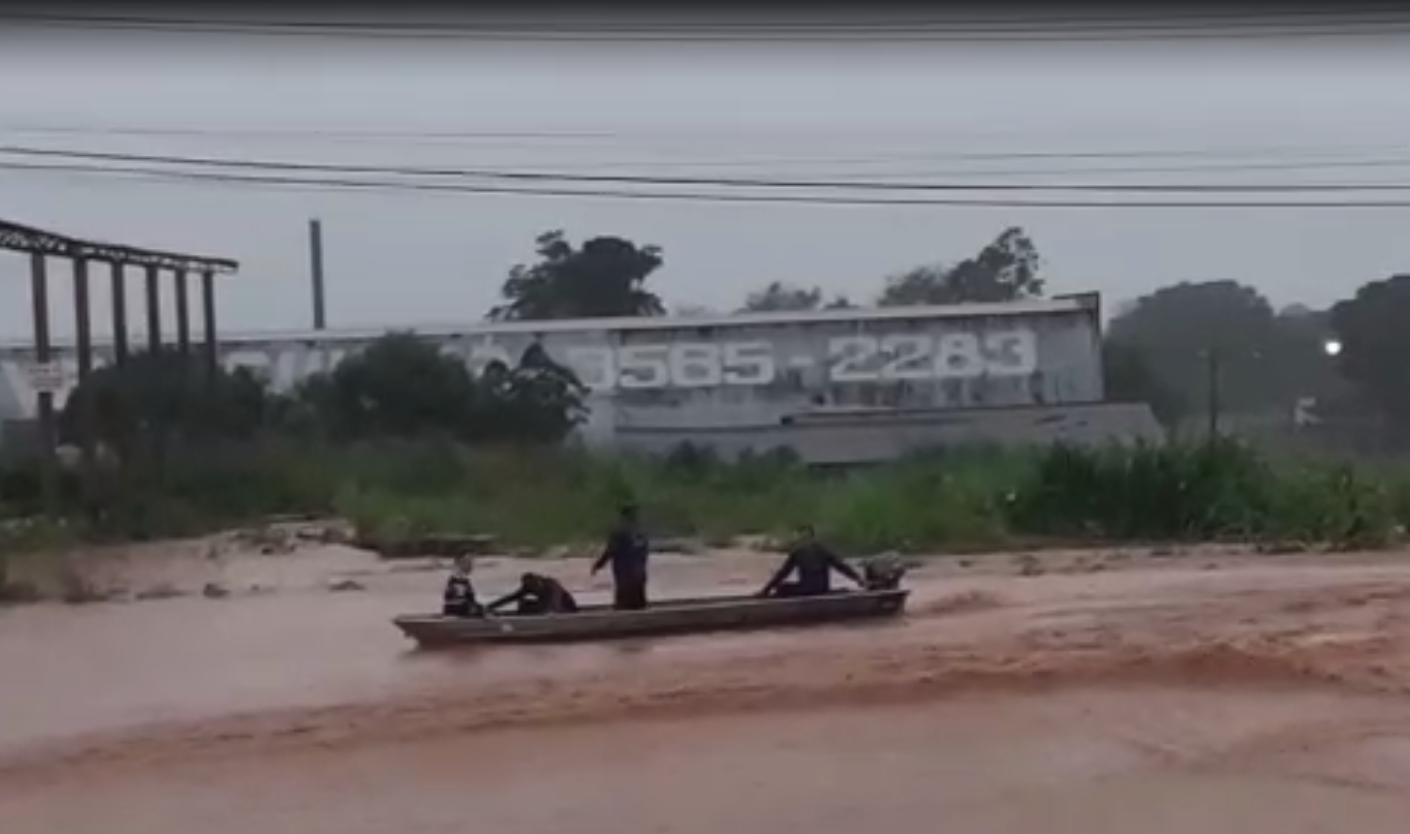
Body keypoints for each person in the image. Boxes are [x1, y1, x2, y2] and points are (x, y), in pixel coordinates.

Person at [758, 524, 866, 599]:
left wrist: (765, 591)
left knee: (781, 588)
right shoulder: (822, 549)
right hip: (823, 589)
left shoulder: (798, 551)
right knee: (786, 587)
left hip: (806, 591)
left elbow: (783, 574)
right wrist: (858, 579)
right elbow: (841, 567)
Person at [591, 502, 650, 610]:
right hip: (639, 574)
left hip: (625, 575)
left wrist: (598, 565)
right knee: (639, 604)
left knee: (623, 604)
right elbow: (644, 553)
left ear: (623, 515)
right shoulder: (641, 532)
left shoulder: (619, 531)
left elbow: (610, 551)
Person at [487, 572, 580, 616]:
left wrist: (549, 613)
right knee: (522, 603)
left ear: (538, 582)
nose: (532, 589)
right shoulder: (529, 586)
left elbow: (555, 601)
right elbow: (511, 598)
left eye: (533, 587)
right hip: (545, 607)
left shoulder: (552, 584)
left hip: (564, 608)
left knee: (542, 608)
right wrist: (489, 607)